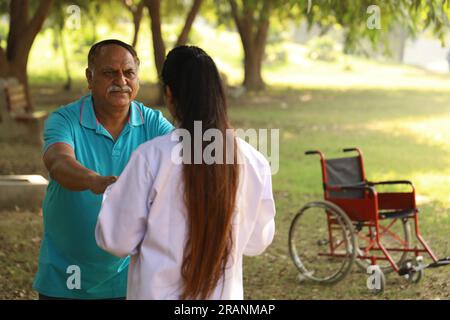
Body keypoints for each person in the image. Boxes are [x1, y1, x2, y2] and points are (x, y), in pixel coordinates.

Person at [96, 45, 276, 300]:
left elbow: (117, 240)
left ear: (169, 94)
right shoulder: (254, 161)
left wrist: (114, 193)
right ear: (218, 94)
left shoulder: (151, 158)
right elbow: (258, 241)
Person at [33, 39, 174, 300]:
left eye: (129, 72)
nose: (121, 80)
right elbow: (58, 162)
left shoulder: (153, 122)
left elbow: (183, 160)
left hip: (128, 277)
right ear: (90, 77)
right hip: (66, 276)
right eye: (109, 72)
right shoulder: (64, 119)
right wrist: (94, 180)